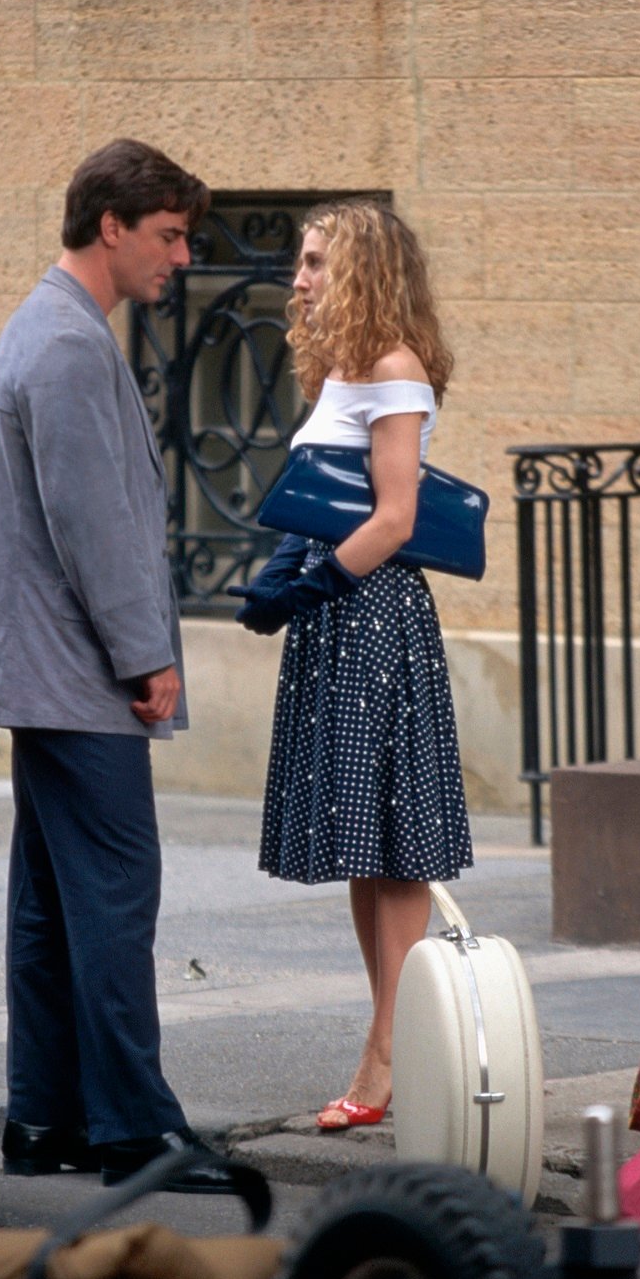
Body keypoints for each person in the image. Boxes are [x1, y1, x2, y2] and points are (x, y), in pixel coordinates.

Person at [0, 139, 234, 1193]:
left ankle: (44, 1121)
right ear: (111, 225)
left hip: (46, 675)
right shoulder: (71, 345)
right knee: (116, 899)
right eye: (168, 235)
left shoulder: (44, 326)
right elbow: (93, 525)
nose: (179, 258)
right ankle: (133, 1130)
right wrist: (146, 653)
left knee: (53, 906)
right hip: (81, 677)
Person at [228, 198, 474, 1132]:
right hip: (339, 614)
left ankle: (389, 1052)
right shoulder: (342, 370)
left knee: (396, 841)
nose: (299, 276)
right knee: (365, 841)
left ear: (364, 267)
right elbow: (333, 502)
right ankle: (393, 1044)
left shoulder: (394, 370)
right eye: (303, 260)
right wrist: (290, 574)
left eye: (316, 260)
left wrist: (312, 583)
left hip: (372, 614)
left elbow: (398, 517)